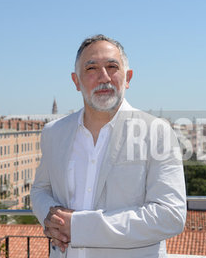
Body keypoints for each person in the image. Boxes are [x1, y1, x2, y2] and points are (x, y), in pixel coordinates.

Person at [30, 34, 186, 257]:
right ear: (76, 81)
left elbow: (170, 215)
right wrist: (50, 216)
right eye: (91, 68)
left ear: (128, 77)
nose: (103, 77)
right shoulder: (54, 133)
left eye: (112, 66)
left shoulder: (157, 132)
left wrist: (78, 227)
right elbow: (40, 189)